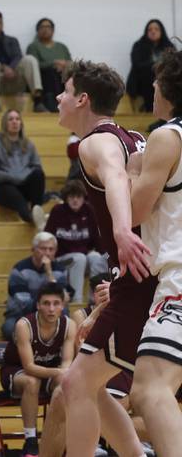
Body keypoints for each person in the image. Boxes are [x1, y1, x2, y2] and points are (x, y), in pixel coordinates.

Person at [56, 59, 157, 457]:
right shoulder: (132, 137)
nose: (59, 99)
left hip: (140, 274)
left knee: (75, 384)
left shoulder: (95, 142)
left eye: (65, 92)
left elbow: (115, 177)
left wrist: (120, 231)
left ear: (82, 98)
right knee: (89, 384)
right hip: (138, 276)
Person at [127, 48, 182, 457]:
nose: (152, 87)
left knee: (148, 389)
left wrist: (131, 168)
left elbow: (133, 211)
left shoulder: (167, 136)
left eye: (156, 81)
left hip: (179, 275)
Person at [39, 277, 152, 457]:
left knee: (156, 401)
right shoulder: (83, 314)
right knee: (67, 390)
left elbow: (154, 278)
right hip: (126, 328)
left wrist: (118, 292)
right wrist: (97, 312)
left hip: (152, 323)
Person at [0, 282, 76, 457]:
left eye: (56, 303)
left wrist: (62, 373)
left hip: (49, 372)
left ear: (62, 306)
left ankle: (57, 436)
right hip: (16, 371)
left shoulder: (69, 325)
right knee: (32, 381)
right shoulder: (24, 325)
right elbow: (29, 367)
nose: (51, 308)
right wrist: (60, 372)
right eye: (46, 303)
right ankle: (31, 440)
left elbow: (66, 363)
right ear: (38, 305)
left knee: (66, 382)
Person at [44, 179, 108, 303]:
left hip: (83, 256)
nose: (75, 200)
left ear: (83, 198)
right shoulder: (57, 211)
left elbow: (96, 238)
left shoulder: (89, 210)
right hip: (61, 258)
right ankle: (76, 300)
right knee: (79, 258)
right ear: (66, 198)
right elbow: (49, 236)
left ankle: (93, 299)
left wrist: (106, 254)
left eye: (78, 197)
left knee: (96, 257)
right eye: (71, 196)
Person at [0, 109, 47, 229]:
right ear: (5, 123)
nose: (14, 122)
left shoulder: (28, 144)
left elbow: (37, 166)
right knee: (10, 191)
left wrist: (22, 176)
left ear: (21, 123)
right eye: (11, 119)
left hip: (24, 184)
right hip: (3, 186)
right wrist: (11, 177)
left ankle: (36, 210)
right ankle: (28, 216)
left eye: (17, 119)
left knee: (38, 174)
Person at [2, 232, 70, 340]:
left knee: (65, 316)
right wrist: (45, 306)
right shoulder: (20, 270)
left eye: (51, 249)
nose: (47, 253)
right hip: (21, 315)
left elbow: (64, 299)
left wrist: (49, 273)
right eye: (43, 248)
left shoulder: (60, 270)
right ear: (33, 249)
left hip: (49, 313)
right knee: (9, 328)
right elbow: (25, 304)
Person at [0, 10, 43, 113]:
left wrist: (11, 69)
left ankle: (38, 100)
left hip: (13, 79)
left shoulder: (12, 40)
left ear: (2, 24)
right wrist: (4, 68)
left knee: (29, 59)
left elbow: (18, 56)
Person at [126, 19, 174, 112]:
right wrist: (154, 65)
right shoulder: (139, 45)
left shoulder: (169, 46)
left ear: (161, 31)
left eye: (156, 29)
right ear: (146, 32)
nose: (153, 31)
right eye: (150, 29)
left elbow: (173, 66)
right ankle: (149, 109)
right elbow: (137, 64)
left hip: (163, 81)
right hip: (142, 82)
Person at [26, 18, 72, 112]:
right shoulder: (34, 47)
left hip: (63, 75)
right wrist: (54, 63)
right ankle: (52, 106)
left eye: (48, 27)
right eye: (42, 27)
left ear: (53, 30)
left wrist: (64, 65)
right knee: (51, 73)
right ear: (38, 30)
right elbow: (34, 65)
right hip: (44, 76)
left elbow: (70, 63)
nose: (45, 29)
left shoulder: (62, 47)